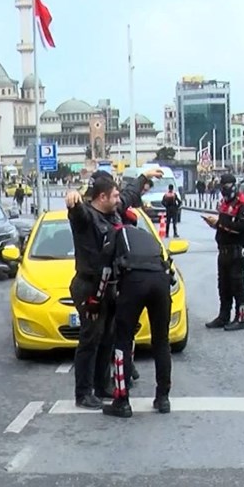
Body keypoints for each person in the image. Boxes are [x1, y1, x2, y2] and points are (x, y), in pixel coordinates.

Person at [64, 169, 161, 409]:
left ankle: (102, 384)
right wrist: (73, 199)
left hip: (111, 285)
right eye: (114, 196)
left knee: (108, 336)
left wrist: (143, 177)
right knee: (91, 338)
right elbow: (76, 213)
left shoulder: (114, 210)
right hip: (89, 286)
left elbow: (129, 193)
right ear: (102, 197)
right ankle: (83, 392)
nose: (119, 200)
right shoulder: (86, 218)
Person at [98, 217, 177, 418]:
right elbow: (170, 270)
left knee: (122, 341)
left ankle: (121, 401)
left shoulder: (116, 234)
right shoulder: (148, 236)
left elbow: (106, 271)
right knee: (161, 341)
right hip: (160, 282)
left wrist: (96, 298)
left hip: (135, 281)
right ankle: (163, 398)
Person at [203, 173, 244, 331]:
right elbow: (224, 225)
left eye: (225, 187)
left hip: (237, 251)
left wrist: (220, 223)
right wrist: (215, 224)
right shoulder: (224, 203)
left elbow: (243, 227)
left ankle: (241, 318)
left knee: (237, 286)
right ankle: (223, 316)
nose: (223, 190)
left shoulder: (243, 204)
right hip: (223, 251)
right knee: (223, 286)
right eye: (221, 187)